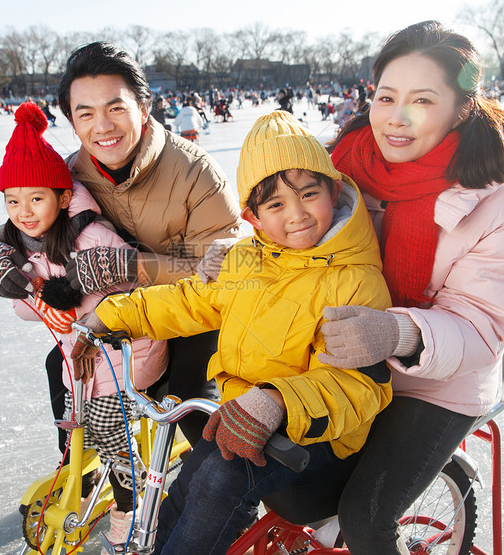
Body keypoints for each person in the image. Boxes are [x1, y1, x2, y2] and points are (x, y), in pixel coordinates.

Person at [75, 110, 394, 555]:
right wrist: (115, 315)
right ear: (255, 217)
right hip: (239, 415)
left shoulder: (355, 280)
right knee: (186, 483)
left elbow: (356, 385)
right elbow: (192, 300)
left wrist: (276, 400)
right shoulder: (248, 258)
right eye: (276, 204)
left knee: (219, 479)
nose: (297, 214)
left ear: (333, 190)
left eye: (308, 193)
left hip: (317, 436)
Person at [317, 21, 504, 554]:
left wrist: (396, 332)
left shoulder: (500, 209)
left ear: (461, 108)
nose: (396, 117)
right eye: (386, 96)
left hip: (438, 386)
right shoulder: (334, 171)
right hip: (336, 364)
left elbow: (483, 326)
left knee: (366, 518)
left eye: (422, 100)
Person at [0, 42, 243, 450]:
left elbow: (222, 262)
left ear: (144, 108)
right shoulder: (68, 176)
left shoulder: (196, 173)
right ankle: (80, 462)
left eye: (116, 108)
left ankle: (215, 492)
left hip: (192, 310)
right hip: (117, 313)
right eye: (86, 113)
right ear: (72, 121)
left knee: (189, 391)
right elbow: (26, 218)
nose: (103, 126)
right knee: (59, 366)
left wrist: (133, 267)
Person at [0, 101, 168, 545]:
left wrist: (83, 307)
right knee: (65, 397)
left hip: (129, 346)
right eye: (13, 200)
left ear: (63, 197)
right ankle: (77, 462)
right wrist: (27, 292)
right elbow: (34, 309)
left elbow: (138, 288)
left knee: (106, 422)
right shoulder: (32, 242)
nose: (23, 211)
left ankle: (130, 502)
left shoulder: (91, 237)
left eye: (35, 198)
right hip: (82, 351)